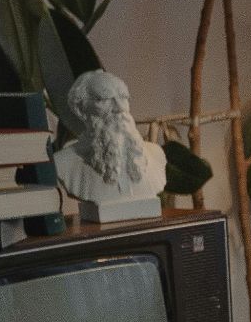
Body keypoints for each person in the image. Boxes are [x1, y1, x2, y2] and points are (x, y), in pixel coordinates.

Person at [56, 70, 167, 221]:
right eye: (104, 99)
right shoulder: (63, 163)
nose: (120, 107)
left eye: (123, 97)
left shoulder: (156, 154)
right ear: (81, 110)